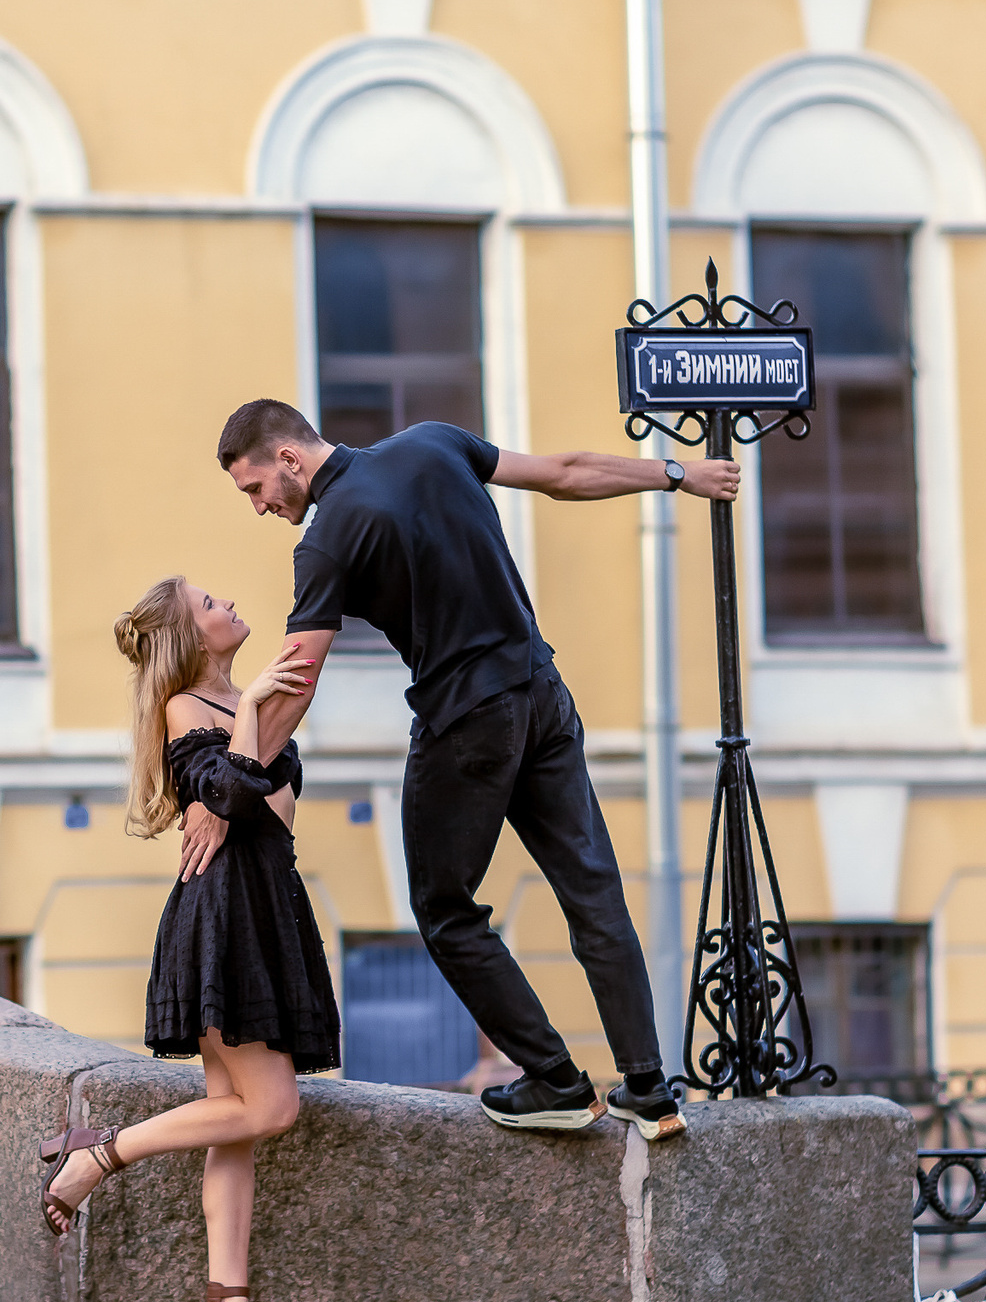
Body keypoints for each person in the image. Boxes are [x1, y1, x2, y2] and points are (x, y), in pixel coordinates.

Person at [194, 399, 739, 1140]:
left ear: (289, 459)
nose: (260, 507)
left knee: (445, 908)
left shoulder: (326, 541)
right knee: (593, 891)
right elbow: (565, 472)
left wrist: (225, 792)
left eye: (255, 489)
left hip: (467, 722)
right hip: (542, 694)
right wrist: (679, 473)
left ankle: (556, 1081)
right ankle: (649, 1089)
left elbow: (295, 681)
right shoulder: (433, 443)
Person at [36, 576, 335, 1302]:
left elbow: (259, 808)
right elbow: (228, 791)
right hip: (223, 920)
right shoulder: (186, 709)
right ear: (190, 635)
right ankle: (103, 1153)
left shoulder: (242, 703)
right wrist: (246, 724)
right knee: (270, 1106)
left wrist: (247, 732)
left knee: (231, 1120)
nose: (230, 599)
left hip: (263, 913)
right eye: (210, 601)